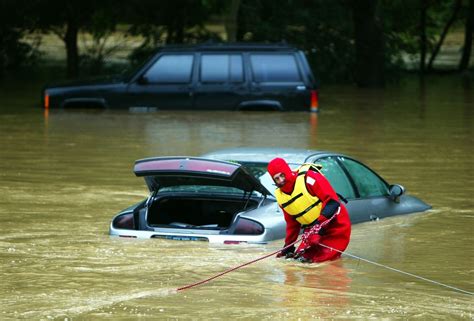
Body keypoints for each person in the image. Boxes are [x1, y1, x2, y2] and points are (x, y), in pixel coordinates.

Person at [267, 157, 351, 263]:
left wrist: (318, 228)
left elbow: (332, 203)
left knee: (321, 263)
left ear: (287, 171)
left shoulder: (310, 178)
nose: (281, 180)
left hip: (335, 224)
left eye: (282, 175)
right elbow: (292, 224)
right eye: (276, 179)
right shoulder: (281, 197)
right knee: (300, 261)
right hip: (312, 230)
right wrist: (288, 246)